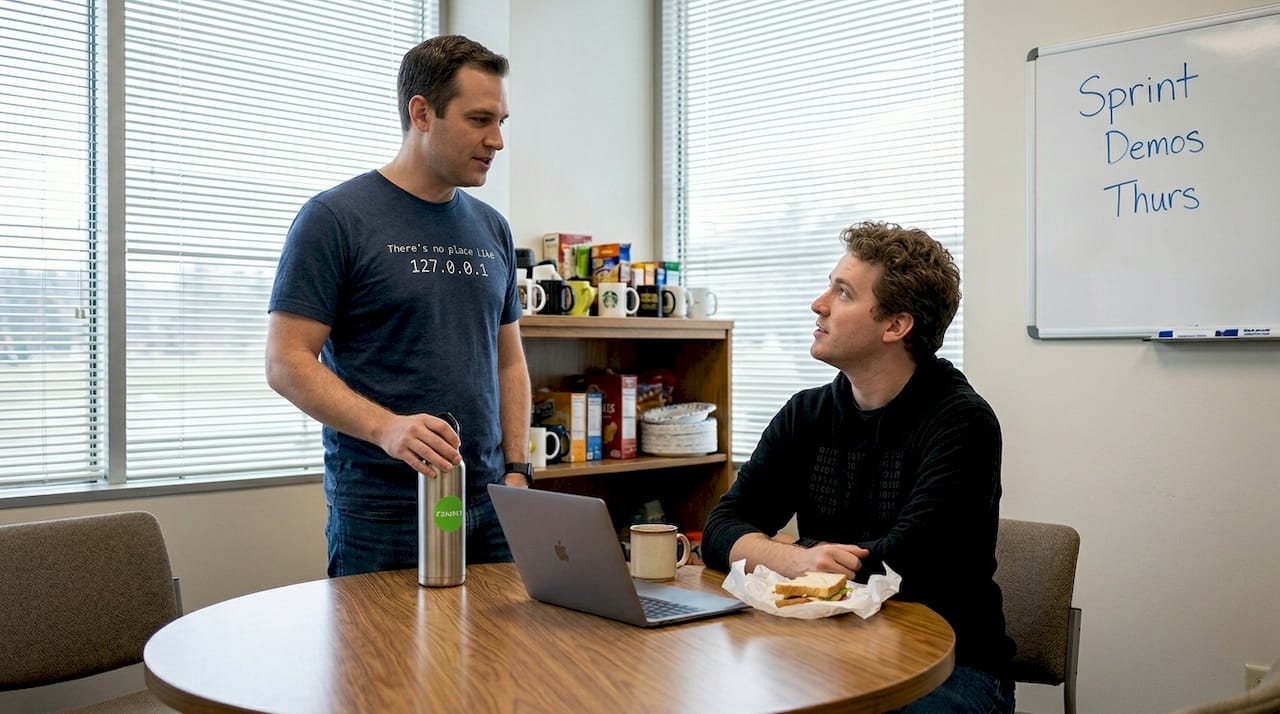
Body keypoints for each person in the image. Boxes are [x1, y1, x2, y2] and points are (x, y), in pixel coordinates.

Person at [701, 221, 1016, 713]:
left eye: (842, 293)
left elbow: (900, 565)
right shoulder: (807, 414)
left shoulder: (962, 423)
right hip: (827, 647)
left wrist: (784, 547)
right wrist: (797, 559)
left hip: (952, 666)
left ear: (895, 326)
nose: (818, 303)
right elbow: (719, 531)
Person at [265, 35, 532, 578]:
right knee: (379, 665)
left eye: (502, 121)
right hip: (381, 513)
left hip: (491, 505)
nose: (497, 140)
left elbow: (509, 362)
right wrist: (387, 428)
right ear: (422, 113)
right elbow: (286, 362)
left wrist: (518, 471)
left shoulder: (491, 228)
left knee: (499, 664)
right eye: (480, 119)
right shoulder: (335, 219)